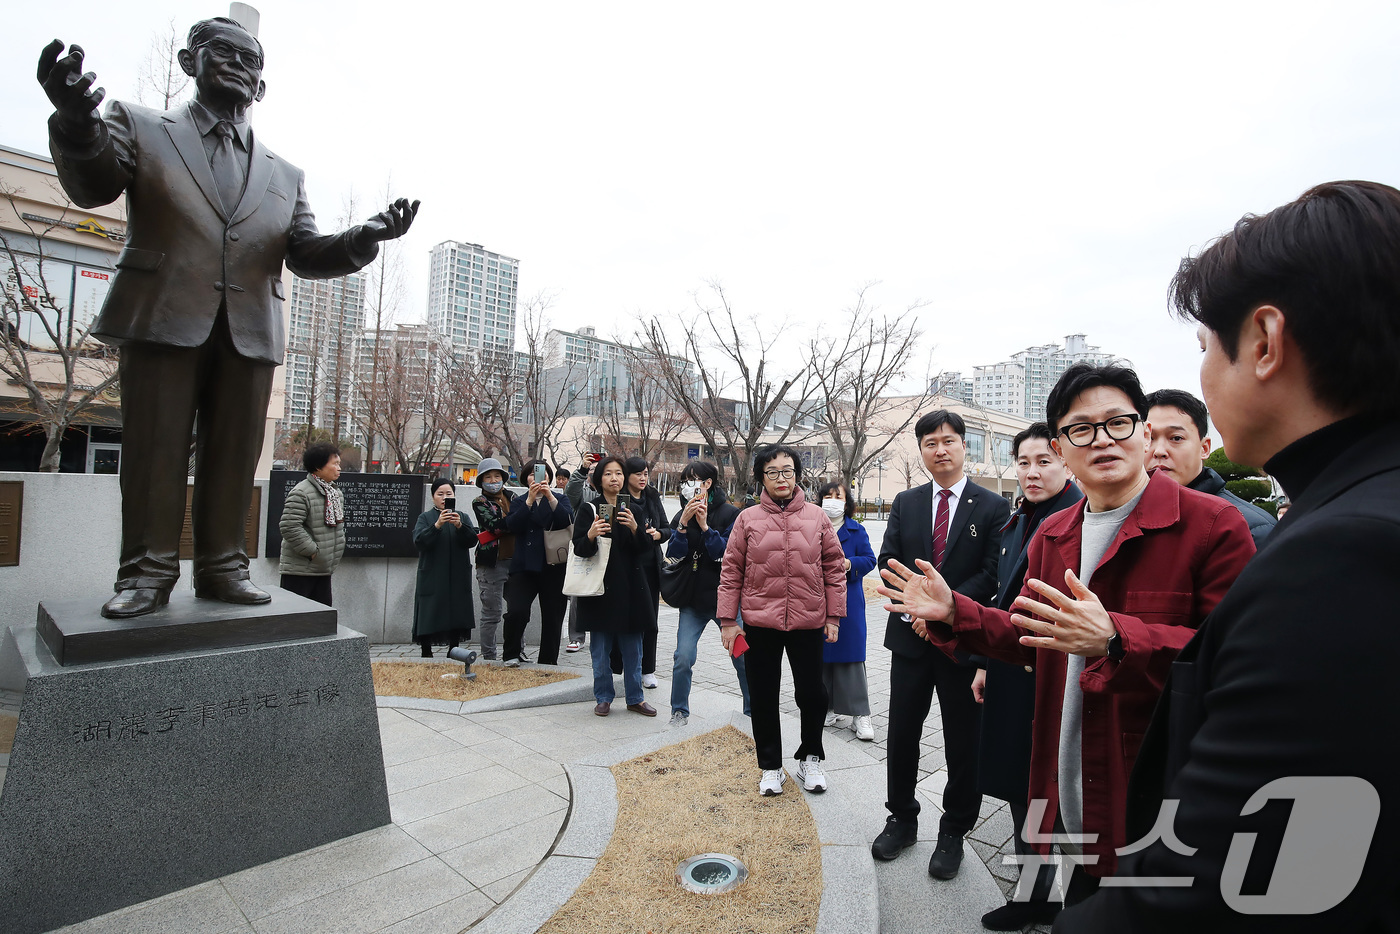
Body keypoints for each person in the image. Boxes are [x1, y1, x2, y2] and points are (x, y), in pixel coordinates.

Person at [1056, 180, 1400, 932]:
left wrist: (1117, 635)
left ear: (1267, 342)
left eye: (1207, 347)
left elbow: (1232, 879)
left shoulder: (1341, 557)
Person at [36, 22, 417, 619]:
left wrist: (362, 238)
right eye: (224, 52)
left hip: (250, 327)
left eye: (251, 59)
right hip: (163, 314)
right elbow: (92, 185)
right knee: (153, 451)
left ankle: (223, 565)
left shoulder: (284, 174)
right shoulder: (139, 125)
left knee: (236, 455)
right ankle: (146, 571)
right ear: (190, 61)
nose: (239, 64)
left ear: (261, 86)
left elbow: (305, 251)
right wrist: (76, 121)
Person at [879, 364, 1255, 910]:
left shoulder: (1213, 527)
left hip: (1156, 794)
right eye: (1082, 429)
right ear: (1064, 446)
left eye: (1118, 423)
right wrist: (954, 611)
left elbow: (1235, 667)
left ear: (1144, 433)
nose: (1102, 439)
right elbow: (1029, 636)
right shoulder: (1054, 535)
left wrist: (1117, 639)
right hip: (1065, 774)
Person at [872, 411, 1011, 879]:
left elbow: (990, 574)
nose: (940, 449)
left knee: (962, 741)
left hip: (962, 644)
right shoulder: (906, 502)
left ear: (964, 445)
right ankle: (902, 819)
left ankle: (954, 831)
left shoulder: (992, 506)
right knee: (902, 733)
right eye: (930, 442)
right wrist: (915, 609)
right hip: (909, 641)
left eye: (948, 440)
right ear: (922, 450)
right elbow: (887, 558)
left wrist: (942, 610)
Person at [970, 423, 1082, 931]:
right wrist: (985, 664)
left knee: (1061, 791)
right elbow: (1002, 601)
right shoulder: (1018, 520)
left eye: (1045, 461)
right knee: (1022, 786)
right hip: (1014, 669)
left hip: (1061, 675)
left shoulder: (1081, 519)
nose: (1033, 472)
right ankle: (1033, 894)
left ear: (1065, 462)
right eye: (1024, 462)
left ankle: (1069, 899)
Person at [718, 445, 846, 797]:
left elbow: (834, 569)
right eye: (772, 472)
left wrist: (834, 615)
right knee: (762, 696)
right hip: (760, 623)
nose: (781, 478)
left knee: (813, 694)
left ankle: (811, 757)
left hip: (808, 621)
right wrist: (729, 620)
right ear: (761, 477)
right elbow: (731, 572)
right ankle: (771, 766)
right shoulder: (747, 519)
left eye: (787, 471)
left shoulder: (817, 517)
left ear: (797, 474)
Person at [666, 459, 750, 727]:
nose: (688, 487)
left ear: (708, 483)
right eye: (685, 482)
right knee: (683, 657)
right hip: (693, 600)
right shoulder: (682, 513)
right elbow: (674, 556)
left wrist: (704, 526)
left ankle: (752, 711)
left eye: (694, 480)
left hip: (727, 601)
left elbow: (725, 555)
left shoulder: (729, 514)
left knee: (743, 658)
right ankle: (679, 711)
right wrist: (683, 524)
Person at [572, 456, 656, 717]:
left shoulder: (634, 510)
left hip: (631, 589)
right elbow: (579, 549)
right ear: (599, 479)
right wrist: (591, 533)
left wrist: (634, 528)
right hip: (600, 591)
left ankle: (635, 698)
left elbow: (643, 552)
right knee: (600, 650)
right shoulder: (589, 509)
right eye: (608, 474)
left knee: (634, 649)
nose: (614, 479)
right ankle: (604, 696)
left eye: (618, 474)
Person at [1145, 388, 1276, 546]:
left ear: (1204, 448)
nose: (1159, 451)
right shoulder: (1122, 517)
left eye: (1176, 438)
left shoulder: (1250, 529)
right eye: (1148, 438)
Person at [815, 480, 877, 741]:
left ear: (846, 502)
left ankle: (860, 714)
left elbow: (870, 559)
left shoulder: (856, 530)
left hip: (849, 600)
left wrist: (848, 564)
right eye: (827, 495)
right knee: (821, 656)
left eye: (837, 496)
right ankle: (826, 707)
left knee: (850, 655)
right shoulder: (812, 527)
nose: (831, 500)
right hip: (817, 600)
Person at [501, 459, 573, 667]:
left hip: (554, 565)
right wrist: (530, 501)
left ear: (549, 478)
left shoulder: (560, 499)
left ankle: (548, 661)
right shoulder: (519, 501)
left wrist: (549, 496)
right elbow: (512, 525)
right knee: (517, 611)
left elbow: (567, 519)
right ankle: (511, 654)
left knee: (553, 616)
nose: (538, 478)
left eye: (542, 474)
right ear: (526, 479)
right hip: (524, 566)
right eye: (532, 474)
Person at [609, 457, 670, 688]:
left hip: (649, 564)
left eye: (646, 473)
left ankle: (648, 670)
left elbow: (666, 528)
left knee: (649, 619)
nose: (643, 478)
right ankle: (617, 667)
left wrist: (657, 535)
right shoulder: (619, 498)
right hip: (624, 565)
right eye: (638, 474)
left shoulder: (652, 496)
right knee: (620, 616)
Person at [412, 479, 477, 658]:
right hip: (432, 574)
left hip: (457, 573)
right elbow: (419, 542)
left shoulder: (462, 516)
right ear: (433, 496)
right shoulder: (425, 518)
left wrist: (459, 526)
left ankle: (453, 649)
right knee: (429, 610)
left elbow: (472, 540)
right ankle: (426, 650)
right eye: (440, 494)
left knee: (456, 610)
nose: (444, 497)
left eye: (448, 494)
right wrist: (437, 525)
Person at [277, 442, 346, 606]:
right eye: (335, 464)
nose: (339, 468)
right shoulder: (301, 492)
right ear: (318, 467)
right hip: (300, 571)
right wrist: (313, 552)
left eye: (339, 464)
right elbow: (289, 526)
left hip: (323, 570)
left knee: (322, 621)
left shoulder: (334, 493)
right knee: (295, 619)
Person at [470, 457, 513, 661]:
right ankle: (489, 657)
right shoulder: (479, 502)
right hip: (491, 564)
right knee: (492, 613)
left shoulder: (513, 496)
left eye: (497, 476)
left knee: (516, 612)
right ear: (481, 481)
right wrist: (514, 521)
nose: (493, 480)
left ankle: (515, 652)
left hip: (515, 561)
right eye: (488, 477)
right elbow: (495, 526)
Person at [563, 453, 601, 653]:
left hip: (607, 549)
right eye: (591, 471)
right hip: (584, 547)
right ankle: (576, 637)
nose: (594, 474)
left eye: (598, 470)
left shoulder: (615, 493)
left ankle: (602, 634)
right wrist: (582, 470)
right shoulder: (583, 493)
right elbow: (570, 494)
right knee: (579, 594)